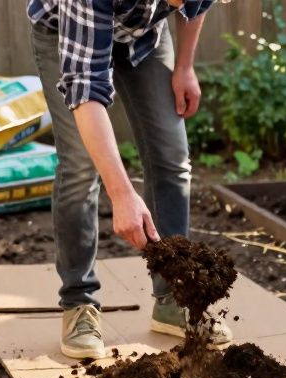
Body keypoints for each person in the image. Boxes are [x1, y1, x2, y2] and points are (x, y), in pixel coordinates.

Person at [28, 0, 234, 359]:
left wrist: (184, 65)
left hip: (145, 36)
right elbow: (85, 91)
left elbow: (196, 7)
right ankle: (79, 302)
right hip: (67, 29)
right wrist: (122, 194)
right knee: (81, 166)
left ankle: (174, 298)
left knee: (172, 158)